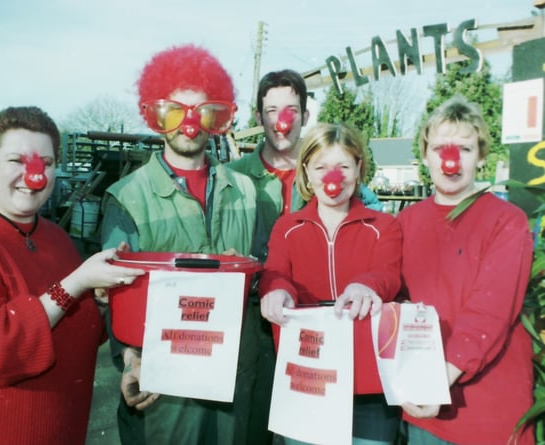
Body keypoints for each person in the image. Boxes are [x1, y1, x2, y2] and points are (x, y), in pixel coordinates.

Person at [0, 106, 145, 445]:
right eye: (16, 161)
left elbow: (73, 326)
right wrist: (77, 282)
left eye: (46, 163)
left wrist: (99, 299)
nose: (33, 175)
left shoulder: (56, 238)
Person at [100, 44, 258, 444]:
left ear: (216, 118)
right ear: (156, 116)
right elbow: (115, 292)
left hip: (229, 381)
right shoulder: (128, 196)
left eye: (202, 110)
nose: (189, 123)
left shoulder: (245, 191)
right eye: (175, 110)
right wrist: (131, 361)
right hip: (162, 386)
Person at [227, 69, 384, 443]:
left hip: (314, 334)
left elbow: (371, 227)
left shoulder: (333, 174)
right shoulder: (230, 179)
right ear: (260, 116)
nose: (282, 121)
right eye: (271, 110)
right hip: (251, 327)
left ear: (305, 116)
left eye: (291, 110)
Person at [398, 96, 534, 445]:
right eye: (441, 147)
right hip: (424, 414)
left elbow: (490, 311)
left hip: (490, 414)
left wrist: (439, 379)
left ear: (482, 156)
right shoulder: (405, 223)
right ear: (426, 153)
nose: (451, 160)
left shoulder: (507, 222)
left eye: (465, 148)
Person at [259, 122, 403, 445]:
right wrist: (276, 290)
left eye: (343, 166)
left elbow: (389, 273)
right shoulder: (286, 227)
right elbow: (275, 271)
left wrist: (367, 286)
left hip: (369, 388)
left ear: (358, 169)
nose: (332, 178)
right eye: (321, 167)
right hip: (308, 381)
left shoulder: (385, 226)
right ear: (306, 173)